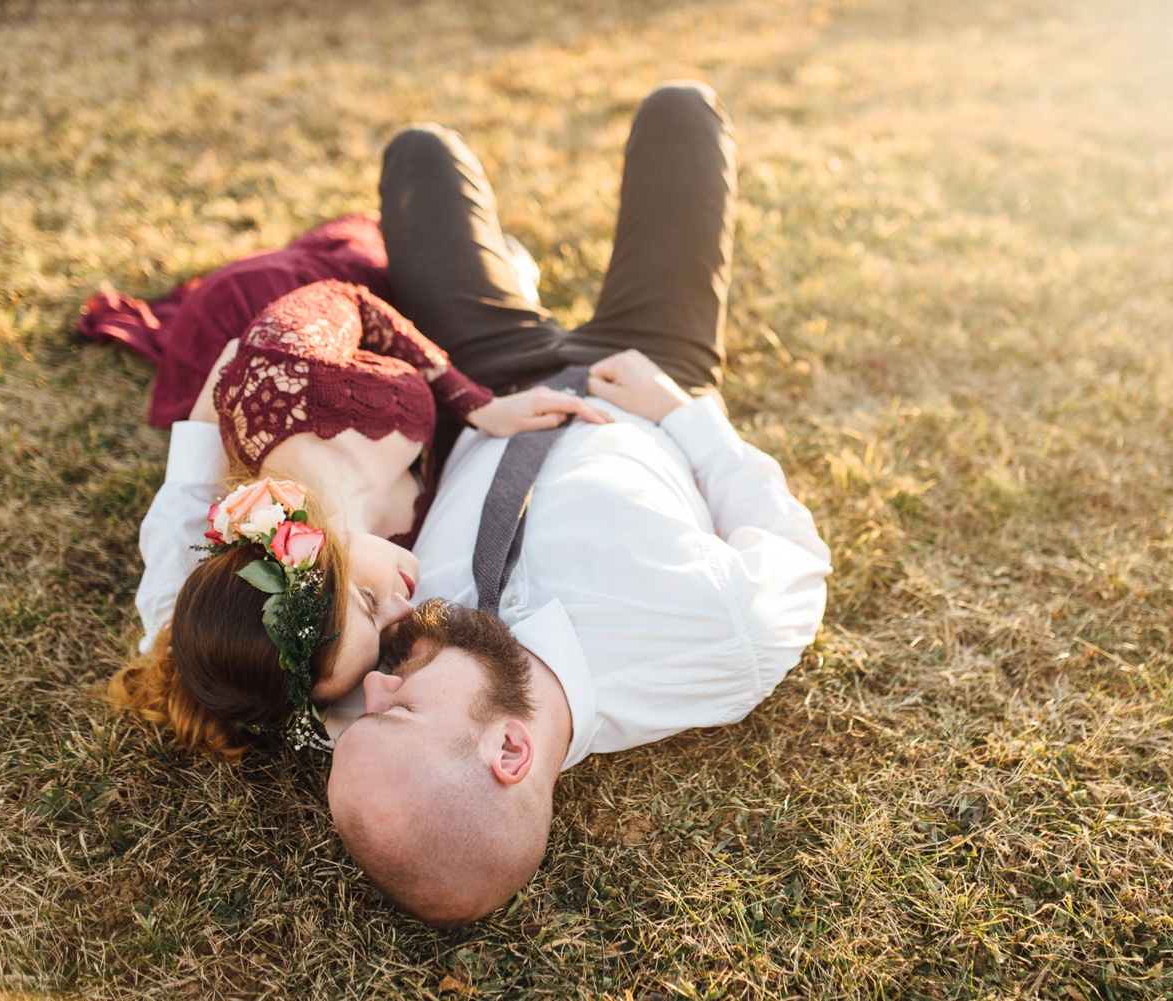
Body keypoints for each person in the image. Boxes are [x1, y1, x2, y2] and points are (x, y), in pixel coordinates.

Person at [323, 81, 832, 925]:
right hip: (647, 370)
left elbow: (183, 618)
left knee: (420, 153)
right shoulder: (721, 638)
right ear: (511, 749)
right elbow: (788, 540)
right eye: (397, 709)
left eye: (360, 717)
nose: (371, 691)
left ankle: (512, 273)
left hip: (486, 376)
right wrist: (681, 410)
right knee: (681, 112)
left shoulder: (400, 665)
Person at [112, 278, 611, 759]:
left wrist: (477, 405)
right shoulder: (278, 662)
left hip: (365, 316)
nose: (403, 609)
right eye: (381, 634)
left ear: (306, 542)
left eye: (370, 602)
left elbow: (350, 301)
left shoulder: (278, 377)